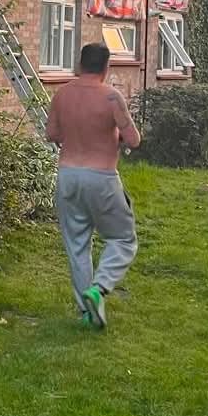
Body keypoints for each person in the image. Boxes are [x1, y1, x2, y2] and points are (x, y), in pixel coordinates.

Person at [45, 42, 141, 329]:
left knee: (77, 246)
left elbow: (51, 134)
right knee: (123, 239)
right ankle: (98, 290)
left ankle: (87, 313)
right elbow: (134, 140)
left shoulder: (61, 94)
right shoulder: (111, 98)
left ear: (80, 64)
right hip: (101, 177)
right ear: (106, 67)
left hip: (68, 175)